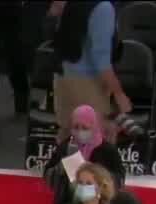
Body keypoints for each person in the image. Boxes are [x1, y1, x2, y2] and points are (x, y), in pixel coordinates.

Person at [53, 0, 140, 145]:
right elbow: (101, 62)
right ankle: (96, 168)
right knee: (100, 138)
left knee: (67, 138)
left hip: (63, 79)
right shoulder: (103, 8)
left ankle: (66, 167)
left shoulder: (72, 3)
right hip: (87, 83)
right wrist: (119, 94)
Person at [43, 104, 125, 204]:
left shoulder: (107, 150)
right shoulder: (66, 146)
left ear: (94, 127)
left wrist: (96, 176)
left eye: (85, 128)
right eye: (76, 127)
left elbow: (120, 180)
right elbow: (47, 175)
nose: (80, 131)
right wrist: (61, 168)